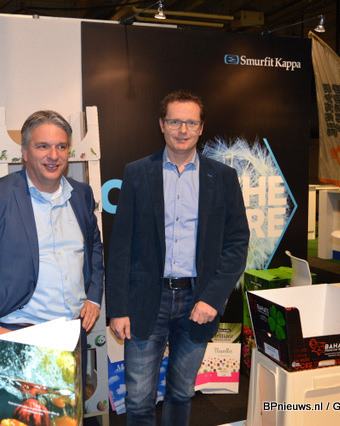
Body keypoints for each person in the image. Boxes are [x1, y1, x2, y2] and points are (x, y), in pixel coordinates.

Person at [106, 90, 250, 425]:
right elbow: (121, 245)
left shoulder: (223, 177)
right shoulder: (137, 173)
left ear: (202, 128)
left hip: (198, 301)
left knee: (182, 393)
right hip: (146, 301)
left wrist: (213, 298)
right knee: (138, 398)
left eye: (191, 123)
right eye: (174, 121)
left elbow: (237, 243)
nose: (182, 130)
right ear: (162, 124)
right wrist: (118, 308)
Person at [0, 110, 104, 352]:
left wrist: (93, 296)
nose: (53, 155)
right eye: (43, 146)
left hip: (74, 334)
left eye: (61, 146)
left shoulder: (81, 194)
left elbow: (93, 246)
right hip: (21, 337)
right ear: (25, 152)